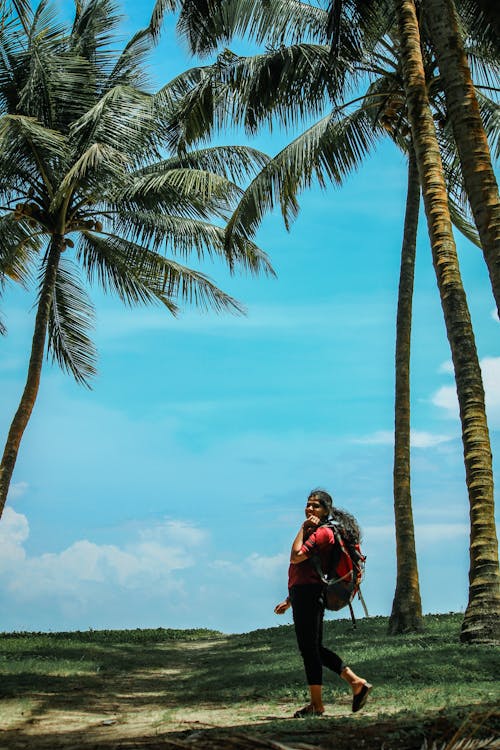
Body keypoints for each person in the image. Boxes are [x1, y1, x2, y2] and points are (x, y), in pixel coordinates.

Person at [274, 488, 372, 717]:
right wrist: (290, 600)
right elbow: (308, 568)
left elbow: (296, 556)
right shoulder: (320, 531)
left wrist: (302, 528)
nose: (309, 509)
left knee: (310, 650)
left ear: (326, 510)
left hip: (308, 594)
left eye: (315, 505)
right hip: (303, 593)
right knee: (313, 648)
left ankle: (319, 704)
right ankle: (354, 684)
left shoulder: (323, 533)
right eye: (308, 504)